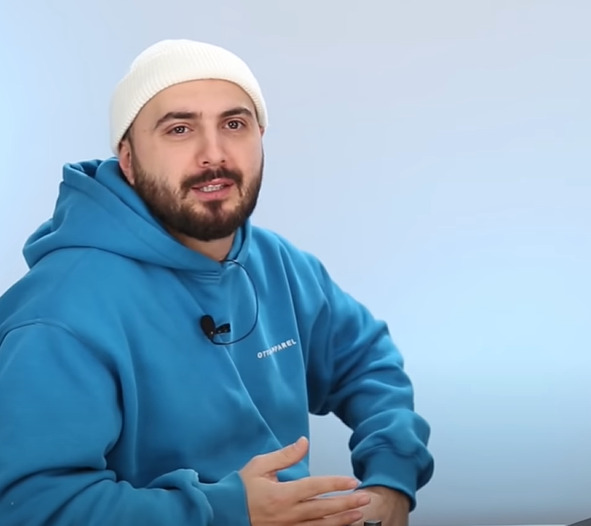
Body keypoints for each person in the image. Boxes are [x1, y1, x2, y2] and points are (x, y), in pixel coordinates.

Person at [0, 39, 433, 526]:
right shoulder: (59, 314)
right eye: (179, 129)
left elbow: (367, 361)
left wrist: (390, 479)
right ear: (128, 158)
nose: (214, 154)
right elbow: (33, 507)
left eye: (234, 124)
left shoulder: (276, 262)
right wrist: (228, 512)